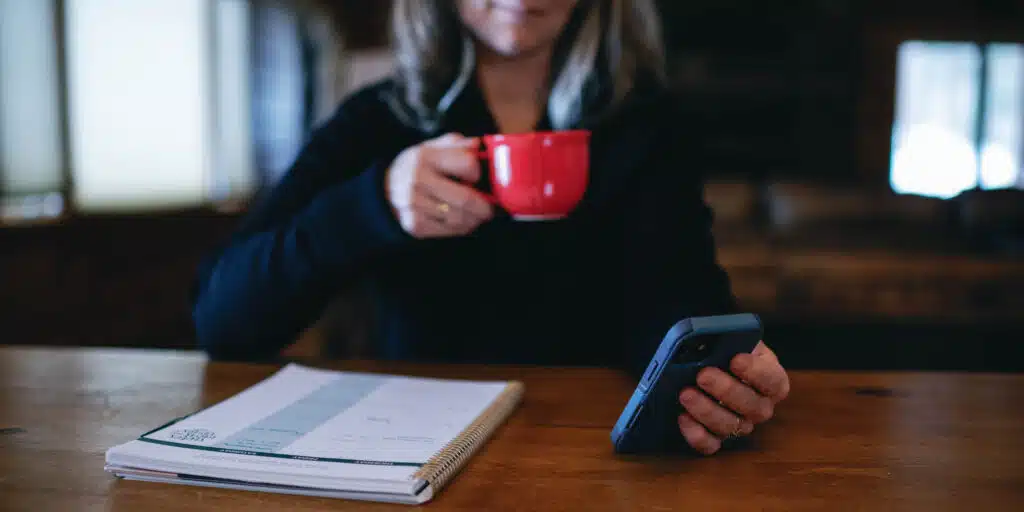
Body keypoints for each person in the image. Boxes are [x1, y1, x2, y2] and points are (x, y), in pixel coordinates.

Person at [191, 0, 790, 456]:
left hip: (588, 457)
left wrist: (718, 377)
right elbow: (226, 320)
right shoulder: (378, 123)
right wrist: (373, 204)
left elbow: (676, 298)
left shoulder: (647, 127)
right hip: (407, 453)